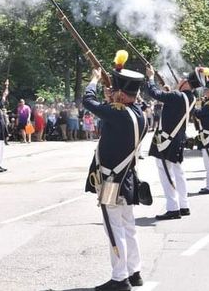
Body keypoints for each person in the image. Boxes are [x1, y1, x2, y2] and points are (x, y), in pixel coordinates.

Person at [83, 55, 147, 291]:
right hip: (127, 178)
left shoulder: (118, 113)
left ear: (120, 94)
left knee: (114, 228)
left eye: (116, 91)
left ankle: (120, 278)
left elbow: (88, 101)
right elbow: (116, 113)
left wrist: (93, 80)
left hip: (112, 181)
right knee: (129, 226)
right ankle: (135, 271)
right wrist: (112, 98)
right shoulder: (138, 114)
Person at [145, 67, 200, 220]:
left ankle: (173, 208)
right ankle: (184, 205)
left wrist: (150, 78)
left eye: (183, 80)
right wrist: (169, 92)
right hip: (178, 140)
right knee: (178, 173)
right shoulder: (191, 97)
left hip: (167, 141)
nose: (180, 81)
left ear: (186, 83)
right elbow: (174, 105)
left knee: (166, 173)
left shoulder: (177, 96)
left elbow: (154, 93)